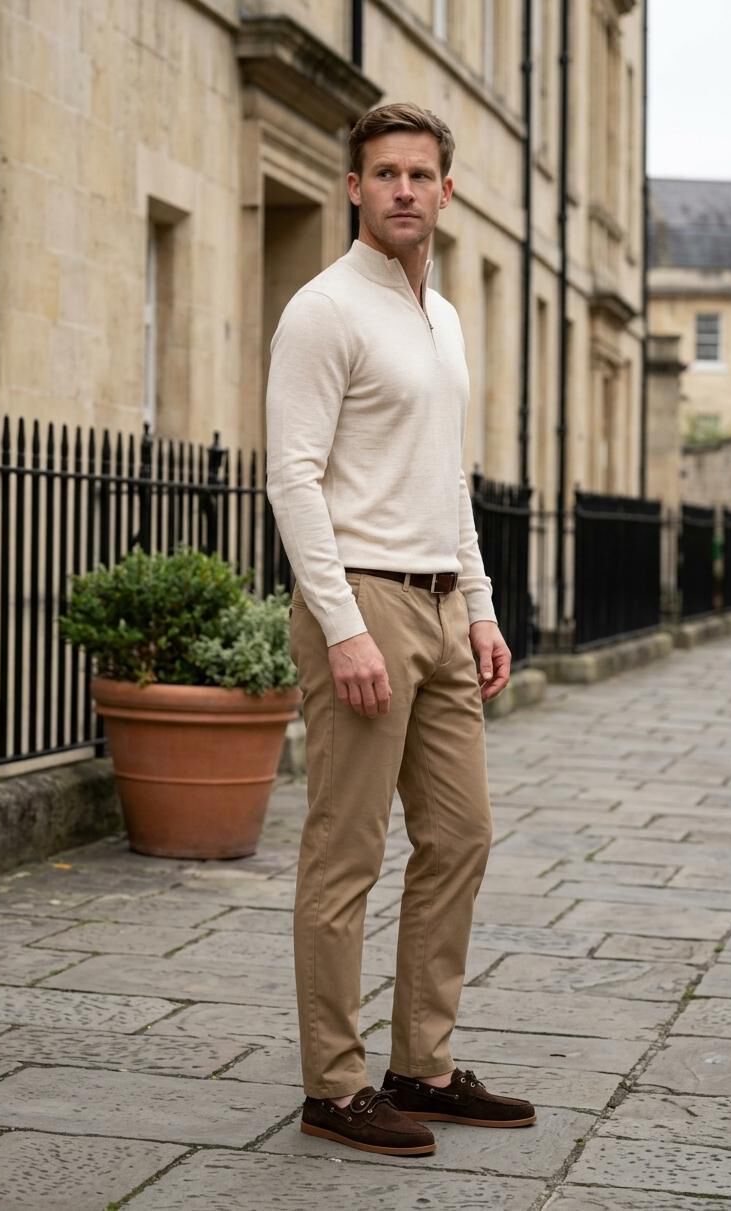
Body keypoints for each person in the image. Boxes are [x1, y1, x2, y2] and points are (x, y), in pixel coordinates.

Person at [266, 102, 536, 1158]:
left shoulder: (444, 318)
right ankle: (332, 1086)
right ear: (354, 188)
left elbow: (444, 477)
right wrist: (341, 627)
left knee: (461, 833)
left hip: (438, 603)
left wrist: (479, 604)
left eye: (420, 174)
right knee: (346, 851)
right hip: (363, 598)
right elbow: (293, 478)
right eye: (384, 174)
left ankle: (421, 1064)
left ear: (446, 191)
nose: (404, 190)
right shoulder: (324, 309)